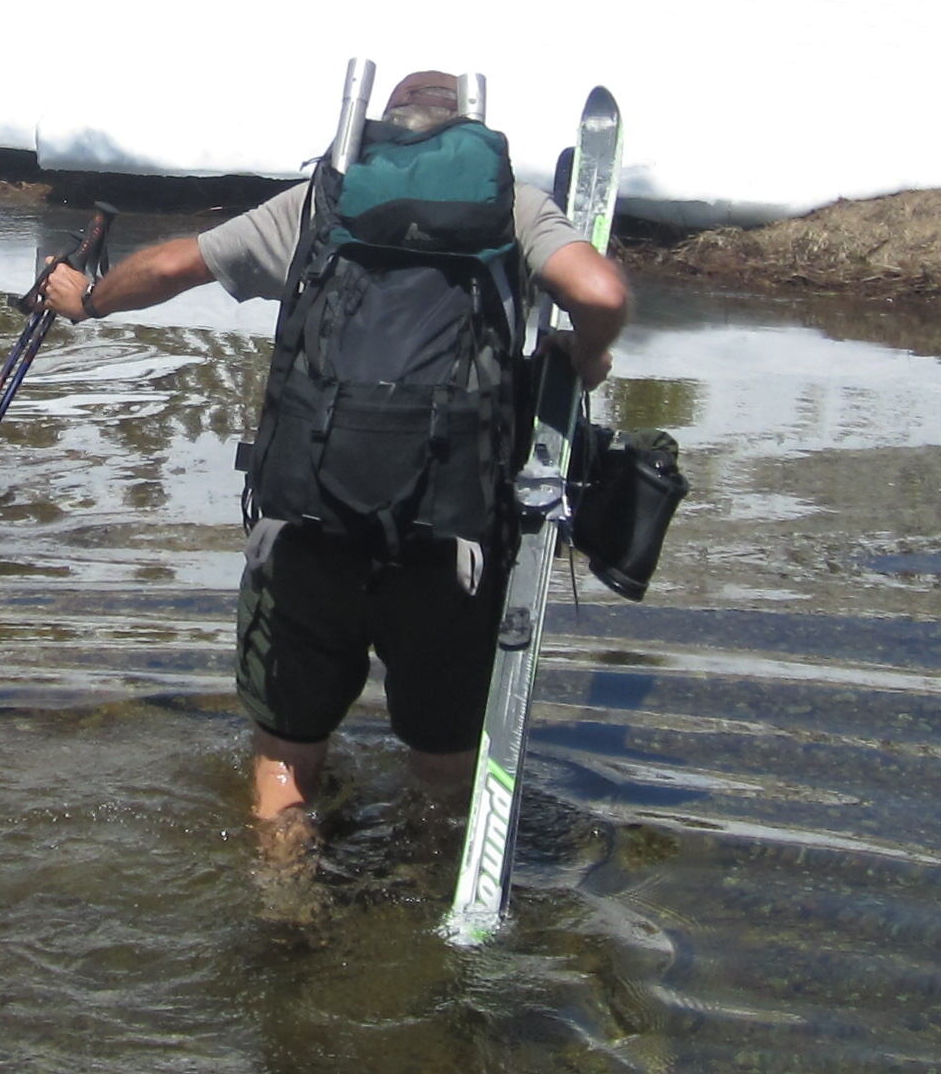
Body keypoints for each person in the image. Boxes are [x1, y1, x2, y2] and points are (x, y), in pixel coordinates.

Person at [40, 72, 629, 861]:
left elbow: (178, 264)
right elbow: (599, 290)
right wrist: (583, 357)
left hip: (307, 521)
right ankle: (422, 915)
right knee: (446, 770)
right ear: (469, 135)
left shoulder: (324, 202)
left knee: (285, 759)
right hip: (449, 540)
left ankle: (289, 913)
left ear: (386, 129)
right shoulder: (509, 208)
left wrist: (89, 301)